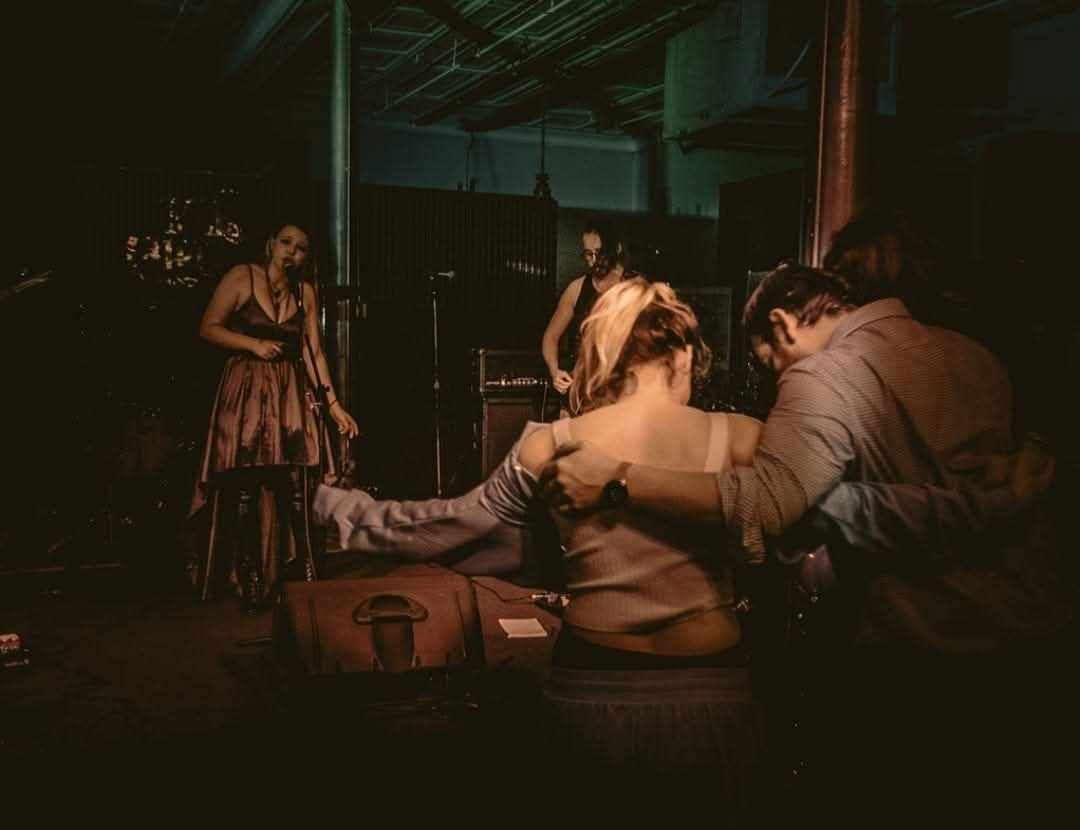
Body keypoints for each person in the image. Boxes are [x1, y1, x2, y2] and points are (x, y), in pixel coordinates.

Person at [539, 261, 1072, 809]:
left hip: (934, 658)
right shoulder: (973, 354)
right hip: (1038, 647)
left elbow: (770, 504)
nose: (777, 385)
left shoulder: (822, 374)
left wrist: (621, 480)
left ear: (782, 325)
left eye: (769, 363)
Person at [190, 221, 359, 613]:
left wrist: (334, 406)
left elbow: (313, 353)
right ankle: (249, 576)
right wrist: (252, 344)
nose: (291, 252)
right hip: (247, 388)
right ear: (270, 244)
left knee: (294, 481)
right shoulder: (242, 276)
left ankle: (300, 572)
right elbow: (208, 328)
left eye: (300, 248)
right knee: (246, 481)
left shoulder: (304, 292)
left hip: (288, 391)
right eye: (285, 243)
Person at [541, 216, 640, 401]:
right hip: (583, 393)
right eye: (588, 254)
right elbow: (550, 337)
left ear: (617, 249)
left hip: (623, 393)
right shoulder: (576, 288)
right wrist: (555, 371)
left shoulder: (637, 288)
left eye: (599, 253)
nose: (594, 261)